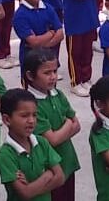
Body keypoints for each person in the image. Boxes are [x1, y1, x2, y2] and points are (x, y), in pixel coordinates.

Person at [23, 48, 81, 201]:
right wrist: (69, 123)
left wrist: (65, 128)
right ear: (30, 75)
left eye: (55, 71)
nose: (53, 77)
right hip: (49, 168)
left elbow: (78, 125)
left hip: (67, 161)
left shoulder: (58, 94)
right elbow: (53, 139)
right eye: (47, 73)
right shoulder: (31, 104)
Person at [0, 88, 65, 201]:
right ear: (7, 119)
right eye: (24, 116)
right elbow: (25, 193)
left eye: (34, 115)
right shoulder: (6, 154)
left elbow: (60, 177)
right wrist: (47, 175)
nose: (31, 121)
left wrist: (32, 187)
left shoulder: (41, 142)